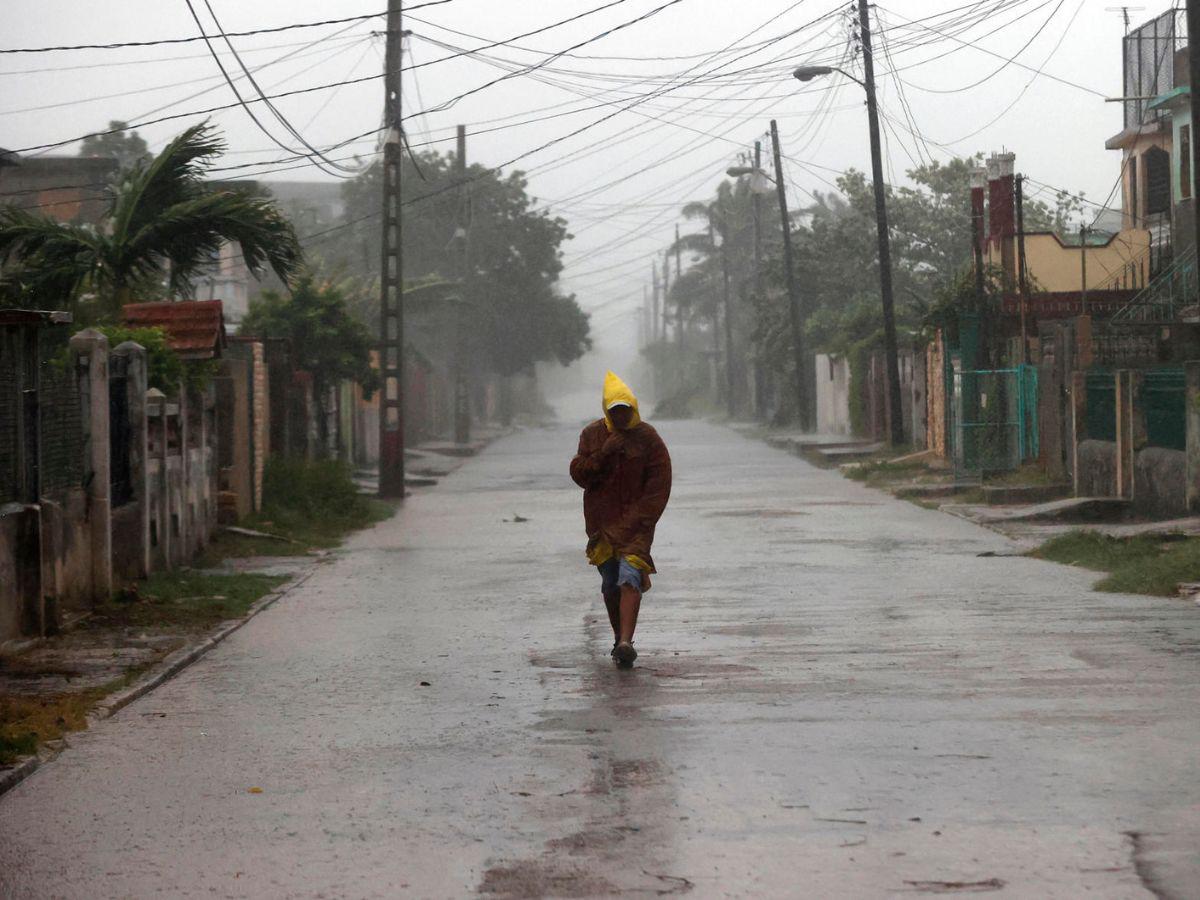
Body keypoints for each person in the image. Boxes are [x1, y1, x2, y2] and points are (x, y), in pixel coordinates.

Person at [569, 371, 672, 669]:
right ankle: (618, 639)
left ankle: (627, 641)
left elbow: (659, 483)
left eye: (625, 410)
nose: (621, 416)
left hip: (637, 526)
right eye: (615, 411)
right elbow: (580, 474)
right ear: (606, 410)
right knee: (610, 585)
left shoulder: (648, 438)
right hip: (602, 525)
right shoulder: (592, 435)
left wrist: (643, 518)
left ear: (634, 408)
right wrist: (603, 453)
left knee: (630, 578)